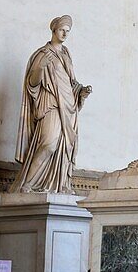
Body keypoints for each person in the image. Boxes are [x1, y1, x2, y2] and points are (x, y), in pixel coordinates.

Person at [12, 15, 91, 193]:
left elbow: (71, 82)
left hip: (69, 108)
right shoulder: (43, 54)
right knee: (49, 144)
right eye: (62, 30)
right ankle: (28, 184)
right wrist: (40, 68)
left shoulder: (66, 54)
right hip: (51, 105)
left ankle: (60, 184)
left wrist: (81, 91)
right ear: (54, 30)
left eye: (67, 31)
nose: (65, 34)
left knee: (63, 149)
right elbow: (32, 84)